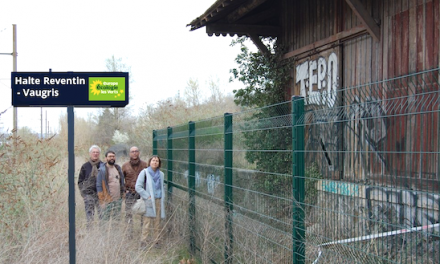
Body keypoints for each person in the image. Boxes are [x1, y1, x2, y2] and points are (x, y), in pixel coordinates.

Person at [135, 155, 166, 248]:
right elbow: (138, 186)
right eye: (153, 160)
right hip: (148, 200)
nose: (155, 162)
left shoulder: (161, 174)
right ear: (150, 162)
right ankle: (143, 242)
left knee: (157, 222)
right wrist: (146, 196)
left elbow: (162, 186)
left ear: (159, 163)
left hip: (158, 200)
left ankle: (156, 241)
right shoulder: (144, 172)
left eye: (157, 161)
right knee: (147, 222)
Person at [122, 146, 148, 236]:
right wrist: (125, 191)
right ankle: (129, 232)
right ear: (130, 153)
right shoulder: (125, 166)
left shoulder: (145, 165)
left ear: (139, 153)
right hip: (130, 192)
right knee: (128, 213)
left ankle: (143, 232)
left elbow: (148, 179)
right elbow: (122, 180)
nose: (134, 153)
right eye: (132, 151)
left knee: (143, 213)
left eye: (136, 151)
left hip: (142, 193)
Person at [78, 145, 104, 229]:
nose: (95, 154)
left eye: (97, 152)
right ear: (90, 153)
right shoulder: (85, 166)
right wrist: (84, 194)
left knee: (102, 215)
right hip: (88, 195)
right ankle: (90, 233)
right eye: (94, 152)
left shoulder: (103, 166)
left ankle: (102, 232)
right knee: (89, 215)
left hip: (101, 195)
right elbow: (80, 181)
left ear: (99, 154)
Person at [96, 150, 125, 221]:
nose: (112, 158)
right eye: (110, 156)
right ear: (106, 158)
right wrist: (102, 201)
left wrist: (123, 193)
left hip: (118, 200)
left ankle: (115, 232)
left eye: (113, 156)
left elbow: (121, 182)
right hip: (107, 200)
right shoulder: (102, 170)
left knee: (117, 220)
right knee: (105, 220)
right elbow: (99, 186)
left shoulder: (118, 168)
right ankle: (105, 232)